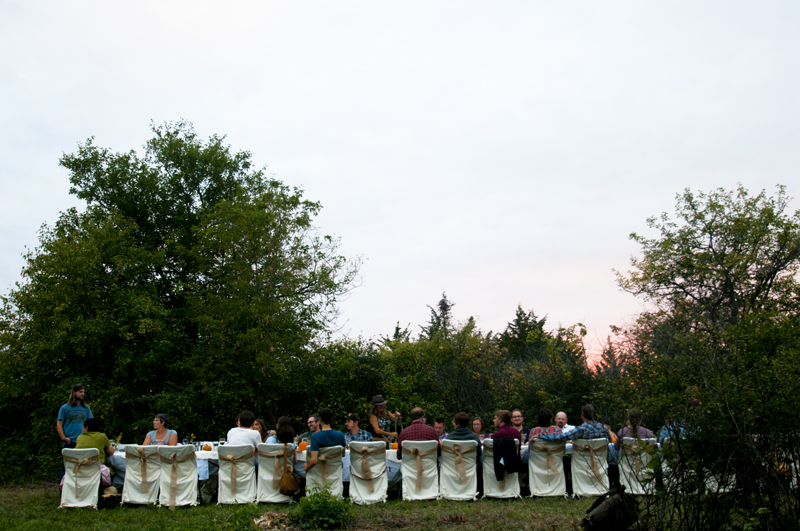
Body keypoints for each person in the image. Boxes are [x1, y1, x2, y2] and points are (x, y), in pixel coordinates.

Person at [304, 408, 347, 472]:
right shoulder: (340, 435)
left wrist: (306, 467)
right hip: (335, 473)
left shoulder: (315, 437)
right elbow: (343, 454)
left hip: (320, 473)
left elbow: (313, 460)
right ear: (332, 418)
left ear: (320, 419)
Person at [57, 384, 93, 449]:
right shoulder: (65, 408)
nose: (82, 394)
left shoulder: (86, 408)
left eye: (83, 392)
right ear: (74, 393)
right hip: (70, 442)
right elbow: (59, 424)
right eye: (80, 392)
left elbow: (91, 424)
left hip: (83, 441)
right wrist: (63, 438)